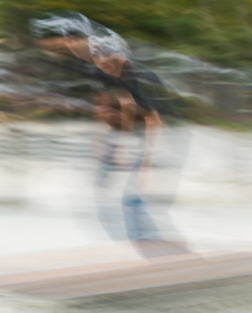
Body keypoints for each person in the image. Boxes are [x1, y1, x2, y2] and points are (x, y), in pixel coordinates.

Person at [30, 13, 188, 256]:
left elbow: (155, 122)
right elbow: (117, 107)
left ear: (120, 55)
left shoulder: (137, 76)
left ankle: (157, 248)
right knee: (114, 194)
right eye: (99, 58)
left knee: (133, 198)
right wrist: (108, 145)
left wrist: (146, 165)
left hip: (170, 134)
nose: (103, 63)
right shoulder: (105, 73)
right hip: (141, 132)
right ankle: (151, 244)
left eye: (108, 58)